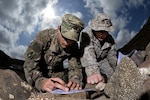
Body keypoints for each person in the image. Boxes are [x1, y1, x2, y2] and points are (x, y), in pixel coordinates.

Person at [23, 14, 84, 93]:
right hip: (38, 71)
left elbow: (75, 67)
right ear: (59, 29)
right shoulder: (44, 37)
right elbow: (29, 65)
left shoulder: (73, 46)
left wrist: (75, 80)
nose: (67, 43)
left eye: (72, 40)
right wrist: (40, 82)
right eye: (65, 37)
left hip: (56, 73)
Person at [80, 13, 117, 85]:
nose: (101, 35)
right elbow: (88, 54)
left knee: (113, 78)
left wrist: (118, 70)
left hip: (102, 60)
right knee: (91, 81)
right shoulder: (86, 33)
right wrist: (93, 73)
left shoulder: (110, 40)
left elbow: (112, 57)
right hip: (86, 62)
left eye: (105, 32)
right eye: (99, 31)